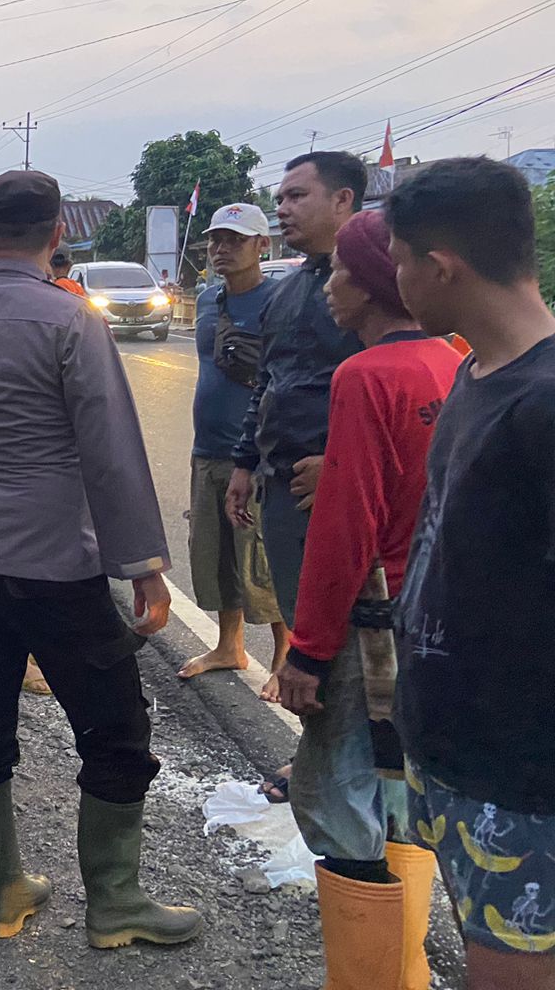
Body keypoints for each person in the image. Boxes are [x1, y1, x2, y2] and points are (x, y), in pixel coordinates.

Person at [0, 169, 201, 948]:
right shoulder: (72, 322)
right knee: (115, 728)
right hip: (55, 562)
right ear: (57, 234)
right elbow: (112, 453)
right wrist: (145, 566)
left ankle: (5, 892)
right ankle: (116, 901)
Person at [274, 209, 460, 990]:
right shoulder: (454, 362)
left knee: (331, 794)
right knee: (395, 785)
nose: (329, 289)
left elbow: (345, 529)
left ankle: (374, 977)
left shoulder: (368, 376)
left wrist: (308, 650)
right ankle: (407, 965)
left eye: (342, 273)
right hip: (433, 620)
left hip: (369, 625)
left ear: (375, 283)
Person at [385, 158, 555, 990]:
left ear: (439, 267)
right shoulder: (474, 373)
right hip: (453, 752)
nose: (396, 278)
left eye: (399, 259)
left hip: (520, 778)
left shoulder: (547, 404)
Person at [226, 153, 364, 636]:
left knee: (351, 636)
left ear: (343, 199)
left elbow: (402, 394)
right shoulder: (287, 291)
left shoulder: (378, 285)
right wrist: (245, 463)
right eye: (280, 197)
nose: (282, 208)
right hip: (282, 486)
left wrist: (346, 466)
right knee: (301, 618)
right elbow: (268, 382)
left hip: (347, 494)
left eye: (297, 196)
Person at [180, 203, 286, 688]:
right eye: (216, 240)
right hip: (208, 447)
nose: (222, 249)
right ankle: (230, 646)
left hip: (259, 454)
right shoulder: (207, 300)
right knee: (215, 552)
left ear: (263, 245)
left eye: (235, 240)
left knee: (263, 557)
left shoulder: (281, 300)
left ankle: (286, 656)